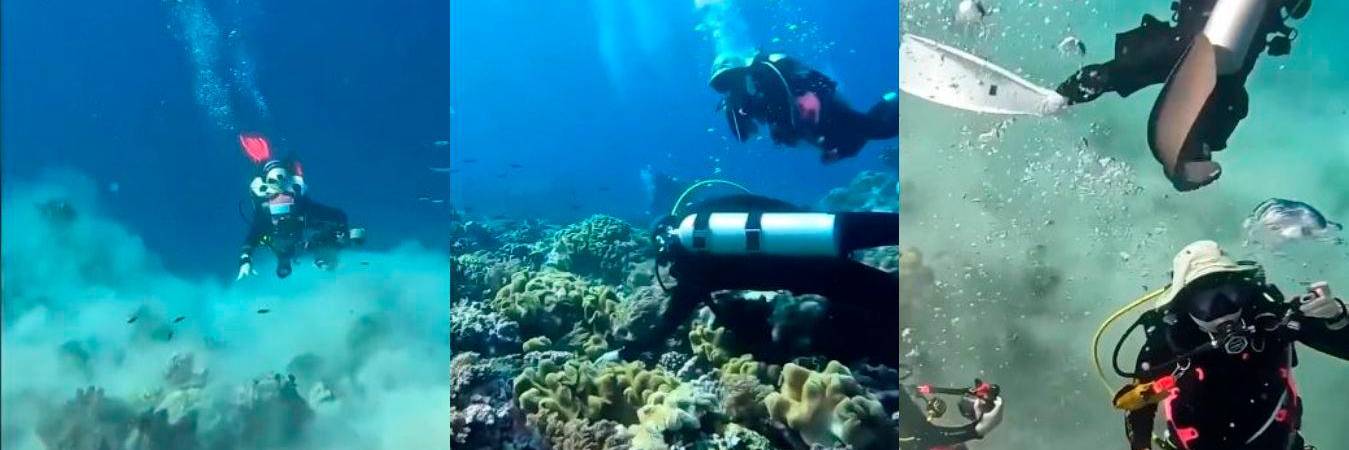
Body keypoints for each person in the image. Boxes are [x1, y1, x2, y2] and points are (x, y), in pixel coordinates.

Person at [608, 192, 900, 367]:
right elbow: (755, 200)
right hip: (811, 230)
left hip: (811, 275)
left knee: (892, 298)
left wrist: (635, 348)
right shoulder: (707, 209)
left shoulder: (691, 261)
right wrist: (800, 218)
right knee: (896, 227)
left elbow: (674, 316)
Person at [1111, 240, 1347, 450]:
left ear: (1244, 290)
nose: (1222, 309)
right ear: (1184, 305)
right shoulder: (1169, 343)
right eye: (1205, 301)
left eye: (1230, 293)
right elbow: (1139, 405)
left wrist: (1336, 319)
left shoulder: (1272, 321)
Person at [1054, 0, 1310, 191]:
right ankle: (1195, 148)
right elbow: (1298, 8)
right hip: (1224, 45)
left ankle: (1063, 96)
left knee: (1129, 68)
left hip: (1197, 35)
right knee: (1222, 97)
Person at [710, 52, 899, 163]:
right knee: (849, 148)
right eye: (723, 84)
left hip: (828, 110)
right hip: (807, 130)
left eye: (731, 77)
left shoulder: (770, 73)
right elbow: (745, 135)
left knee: (882, 130)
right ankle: (887, 101)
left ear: (743, 71)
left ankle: (901, 103)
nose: (730, 85)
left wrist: (810, 97)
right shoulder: (741, 100)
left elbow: (814, 83)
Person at [235, 133, 362, 279]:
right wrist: (245, 261)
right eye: (275, 199)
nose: (281, 201)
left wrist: (344, 232)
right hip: (282, 242)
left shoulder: (301, 206)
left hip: (299, 238)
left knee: (325, 238)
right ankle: (300, 259)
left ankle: (324, 257)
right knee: (285, 254)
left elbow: (337, 216)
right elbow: (251, 238)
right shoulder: (265, 213)